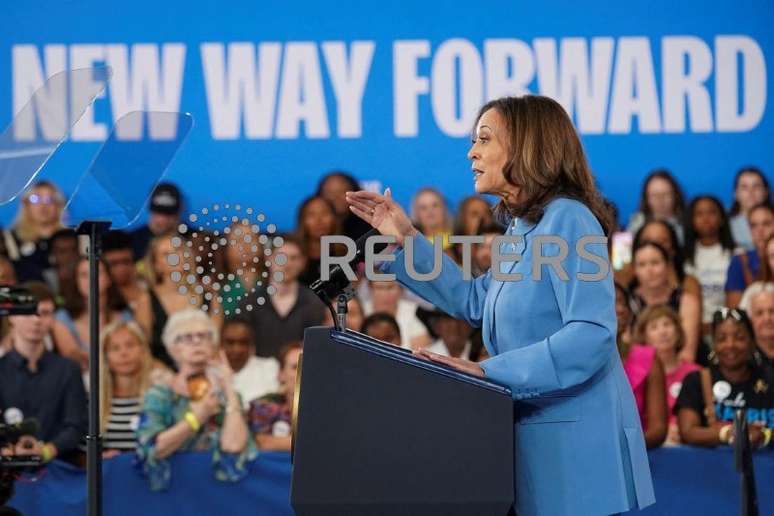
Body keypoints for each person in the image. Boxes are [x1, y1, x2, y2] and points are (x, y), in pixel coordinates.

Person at [346, 95, 654, 515]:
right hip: (531, 443)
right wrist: (408, 237)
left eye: (484, 139)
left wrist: (487, 372)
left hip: (575, 449)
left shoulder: (569, 219)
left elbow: (592, 334)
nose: (472, 151)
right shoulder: (519, 232)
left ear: (527, 146)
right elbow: (477, 299)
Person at [136, 309, 255, 491]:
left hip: (218, 489)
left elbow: (233, 445)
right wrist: (196, 418)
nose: (197, 341)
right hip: (174, 489)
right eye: (187, 337)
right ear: (173, 348)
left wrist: (229, 388)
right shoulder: (160, 395)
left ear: (213, 344)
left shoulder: (227, 395)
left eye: (204, 335)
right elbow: (154, 448)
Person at [0, 282, 87, 464]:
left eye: (45, 313)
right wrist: (9, 450)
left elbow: (76, 425)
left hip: (58, 470)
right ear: (11, 317)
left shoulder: (68, 369)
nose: (36, 319)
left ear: (53, 319)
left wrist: (47, 451)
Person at [675, 308, 774, 449]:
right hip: (712, 468)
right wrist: (728, 433)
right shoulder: (697, 380)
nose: (730, 345)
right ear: (713, 345)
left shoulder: (770, 379)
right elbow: (688, 432)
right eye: (721, 339)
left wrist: (764, 435)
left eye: (739, 338)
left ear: (752, 342)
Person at [235, 234, 325, 359]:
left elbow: (318, 348)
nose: (287, 264)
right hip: (257, 374)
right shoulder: (249, 303)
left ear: (303, 262)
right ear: (269, 259)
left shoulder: (315, 303)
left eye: (293, 258)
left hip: (299, 374)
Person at [632, 304, 700, 444]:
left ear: (678, 330)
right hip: (650, 446)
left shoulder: (696, 373)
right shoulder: (638, 374)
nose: (662, 332)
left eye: (667, 324)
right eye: (654, 327)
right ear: (643, 336)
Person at [54, 257, 134, 371]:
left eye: (98, 272)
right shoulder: (62, 318)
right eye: (84, 275)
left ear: (108, 278)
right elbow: (75, 361)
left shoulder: (125, 316)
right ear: (76, 281)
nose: (91, 279)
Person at [628, 240, 701, 363]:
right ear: (634, 270)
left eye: (655, 263)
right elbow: (626, 350)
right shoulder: (627, 302)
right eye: (642, 264)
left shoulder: (687, 301)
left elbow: (687, 354)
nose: (649, 270)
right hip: (637, 374)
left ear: (667, 266)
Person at [615, 286, 668, 449]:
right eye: (611, 302)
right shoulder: (575, 362)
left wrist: (618, 450)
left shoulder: (647, 359)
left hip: (637, 461)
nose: (621, 309)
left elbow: (658, 430)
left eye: (622, 302)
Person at [100, 320, 162, 457]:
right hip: (110, 474)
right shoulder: (94, 401)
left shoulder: (160, 395)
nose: (124, 353)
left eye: (130, 345)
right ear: (105, 357)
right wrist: (99, 458)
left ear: (143, 350)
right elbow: (80, 454)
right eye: (115, 348)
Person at [683, 196, 736, 336]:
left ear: (722, 218)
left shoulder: (736, 254)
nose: (706, 218)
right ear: (691, 221)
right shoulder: (684, 257)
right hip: (692, 328)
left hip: (727, 327)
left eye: (711, 212)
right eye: (699, 214)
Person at [2, 181, 65, 283]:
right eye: (35, 199)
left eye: (49, 200)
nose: (43, 206)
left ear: (58, 205)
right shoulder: (12, 239)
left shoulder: (68, 239)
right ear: (26, 204)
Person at [248, 341, 302, 451]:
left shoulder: (328, 407)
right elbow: (262, 443)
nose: (303, 371)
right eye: (295, 366)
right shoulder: (264, 405)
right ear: (281, 374)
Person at [101, 230, 153, 337]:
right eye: (114, 263)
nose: (121, 269)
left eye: (126, 261)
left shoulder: (149, 289)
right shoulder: (100, 297)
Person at [220, 318, 279, 409]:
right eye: (230, 342)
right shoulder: (210, 372)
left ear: (252, 345)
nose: (237, 349)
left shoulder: (269, 369)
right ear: (221, 344)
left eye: (243, 342)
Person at [726, 203, 774, 308]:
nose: (760, 231)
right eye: (754, 225)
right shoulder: (740, 261)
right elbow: (734, 312)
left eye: (766, 224)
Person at [362, 280, 431, 350]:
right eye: (380, 288)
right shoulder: (358, 311)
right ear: (370, 289)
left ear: (401, 290)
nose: (385, 294)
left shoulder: (415, 314)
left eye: (390, 288)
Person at [626, 169, 686, 243]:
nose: (660, 199)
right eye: (654, 195)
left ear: (676, 196)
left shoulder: (687, 224)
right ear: (646, 198)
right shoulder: (637, 223)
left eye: (666, 194)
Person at [294, 196, 342, 286]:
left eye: (324, 213)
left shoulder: (346, 254)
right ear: (303, 221)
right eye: (311, 215)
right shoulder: (293, 255)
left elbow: (350, 293)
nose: (319, 220)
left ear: (334, 218)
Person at [130, 182, 184, 260]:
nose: (163, 219)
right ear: (150, 209)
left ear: (179, 212)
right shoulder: (133, 240)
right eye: (158, 212)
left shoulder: (192, 238)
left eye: (168, 213)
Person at [315, 170, 372, 241]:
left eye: (342, 192)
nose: (337, 197)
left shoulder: (370, 229)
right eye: (330, 193)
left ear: (355, 194)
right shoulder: (314, 227)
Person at [729, 167, 770, 251]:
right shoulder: (725, 224)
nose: (751, 192)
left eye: (756, 186)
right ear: (736, 193)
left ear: (766, 192)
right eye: (744, 187)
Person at [740, 282, 774, 368]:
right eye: (759, 313)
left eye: (772, 311)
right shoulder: (742, 360)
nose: (767, 319)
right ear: (749, 320)